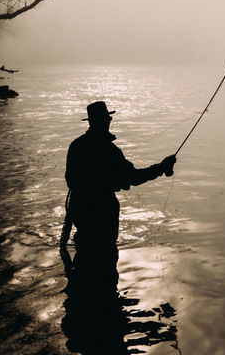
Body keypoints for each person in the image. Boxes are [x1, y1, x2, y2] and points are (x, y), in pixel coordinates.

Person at [63, 100, 176, 252]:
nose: (110, 121)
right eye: (108, 118)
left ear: (90, 122)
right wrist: (161, 167)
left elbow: (70, 180)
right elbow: (134, 178)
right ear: (105, 120)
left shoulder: (76, 145)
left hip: (80, 210)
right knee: (105, 259)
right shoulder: (108, 150)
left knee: (84, 254)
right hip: (103, 212)